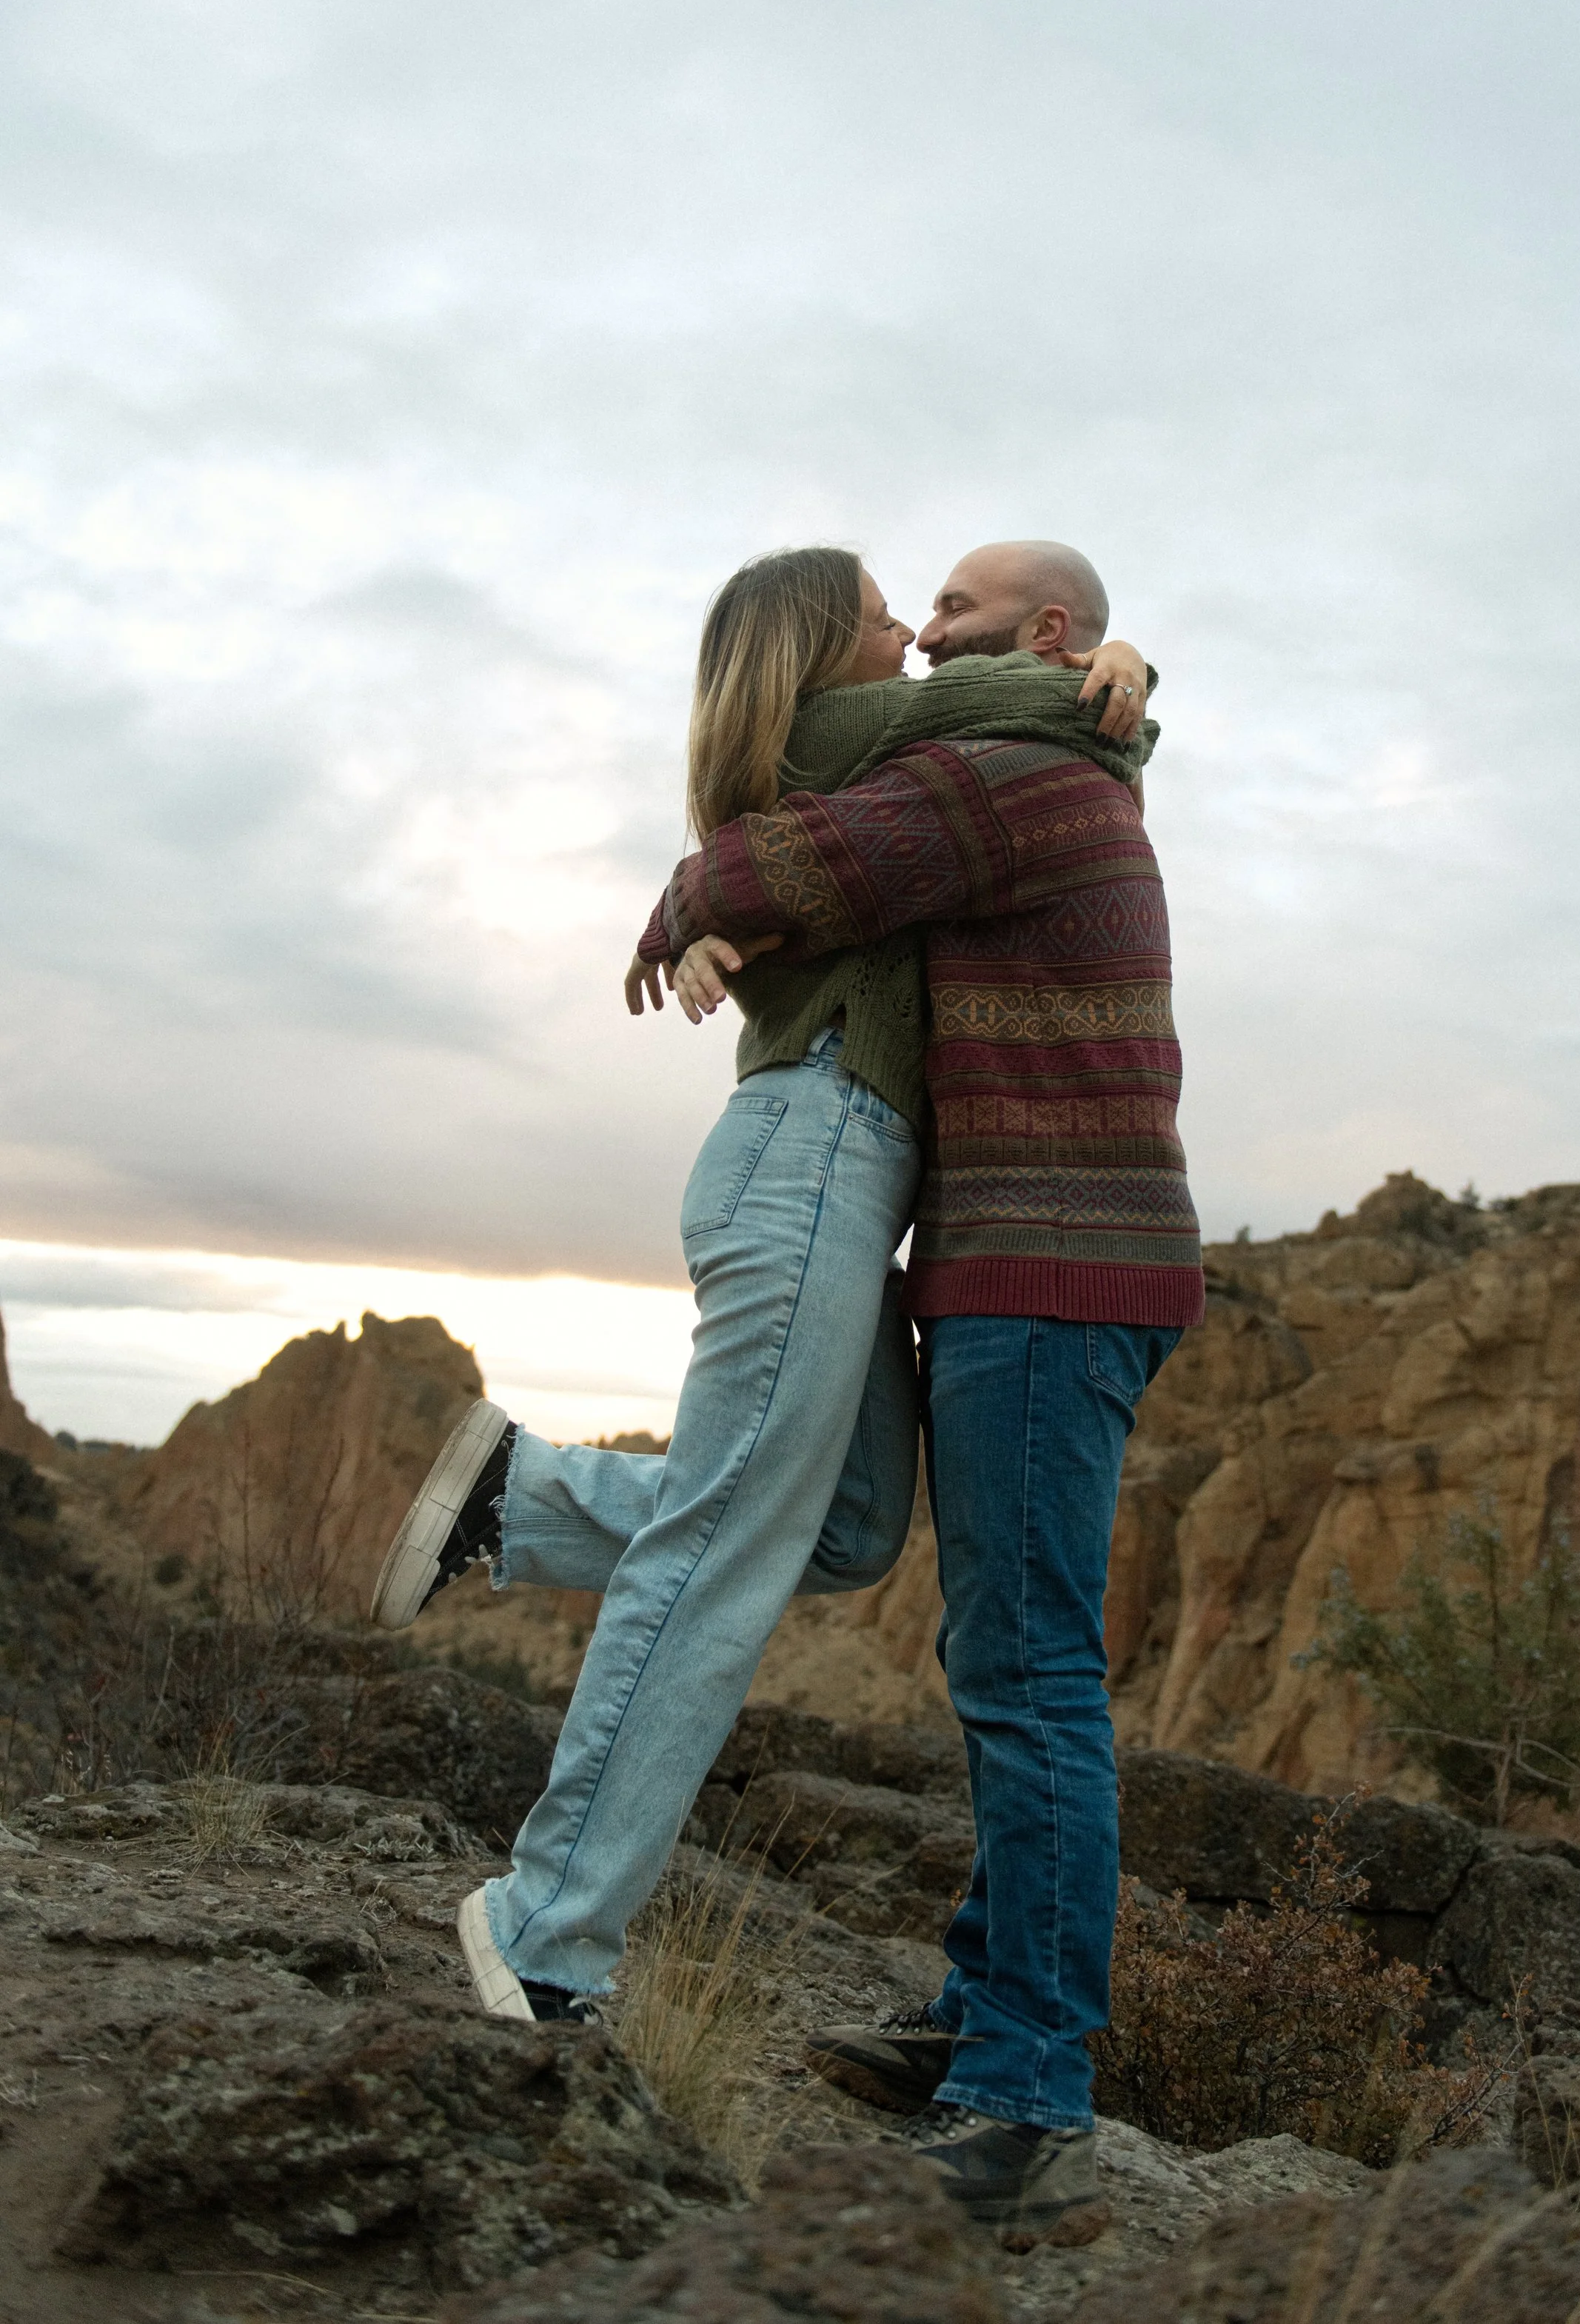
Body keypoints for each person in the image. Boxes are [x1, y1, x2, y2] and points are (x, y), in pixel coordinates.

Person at [366, 543, 1152, 2034]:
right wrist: (1119, 677)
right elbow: (1051, 722)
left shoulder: (879, 753)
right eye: (885, 614)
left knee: (847, 1531)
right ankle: (545, 1928)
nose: (914, 634)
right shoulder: (864, 731)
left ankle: (521, 1497)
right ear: (812, 653)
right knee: (723, 1546)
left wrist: (1123, 667)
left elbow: (1041, 734)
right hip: (811, 1151)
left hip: (838, 1172)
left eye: (934, 614)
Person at [630, 539, 1203, 2239]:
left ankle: (1028, 2095)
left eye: (954, 612)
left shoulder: (1012, 775)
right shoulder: (1054, 747)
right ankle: (980, 2006)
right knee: (1001, 1661)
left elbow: (794, 853)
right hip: (1030, 1268)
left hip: (1045, 1269)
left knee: (1028, 1678)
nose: (927, 636)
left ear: (1043, 633)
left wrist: (685, 905)